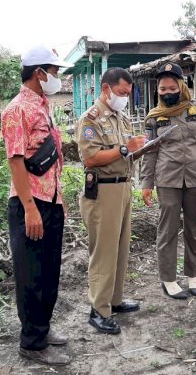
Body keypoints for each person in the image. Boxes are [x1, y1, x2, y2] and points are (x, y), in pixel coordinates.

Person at [0, 45, 73, 366]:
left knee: (48, 273)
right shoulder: (17, 109)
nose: (57, 78)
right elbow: (16, 161)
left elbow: (49, 160)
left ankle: (41, 329)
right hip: (29, 204)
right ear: (38, 73)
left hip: (50, 201)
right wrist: (30, 208)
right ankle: (32, 343)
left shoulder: (43, 107)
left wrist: (60, 201)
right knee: (31, 275)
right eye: (54, 72)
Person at [141, 62, 196, 300]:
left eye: (171, 87)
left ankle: (193, 275)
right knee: (168, 231)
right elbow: (150, 151)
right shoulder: (154, 117)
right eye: (162, 89)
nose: (167, 92)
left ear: (181, 86)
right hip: (168, 181)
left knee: (195, 228)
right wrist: (146, 183)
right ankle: (169, 279)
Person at [76, 67, 146, 334]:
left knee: (120, 248)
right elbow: (91, 158)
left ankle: (113, 301)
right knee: (104, 252)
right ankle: (98, 309)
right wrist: (127, 148)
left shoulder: (121, 118)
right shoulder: (90, 119)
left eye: (128, 93)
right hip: (103, 191)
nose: (125, 97)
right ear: (106, 89)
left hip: (123, 187)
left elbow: (123, 154)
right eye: (121, 92)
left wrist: (142, 147)